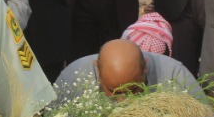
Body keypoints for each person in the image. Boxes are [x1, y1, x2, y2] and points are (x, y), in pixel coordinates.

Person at [55, 37, 202, 104]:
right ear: (97, 70)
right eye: (114, 91)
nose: (123, 100)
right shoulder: (72, 78)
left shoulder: (174, 75)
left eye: (133, 89)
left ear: (145, 66)